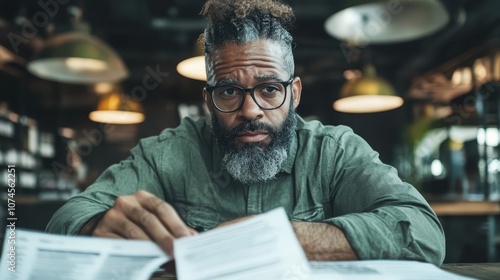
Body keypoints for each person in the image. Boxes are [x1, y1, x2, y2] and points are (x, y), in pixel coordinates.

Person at [47, 0, 445, 264]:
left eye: (269, 88)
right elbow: (67, 217)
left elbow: (424, 233)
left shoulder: (334, 152)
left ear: (295, 93)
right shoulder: (166, 153)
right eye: (230, 91)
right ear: (208, 99)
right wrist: (93, 226)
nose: (250, 109)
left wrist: (283, 237)